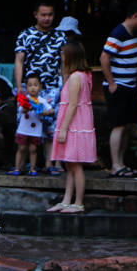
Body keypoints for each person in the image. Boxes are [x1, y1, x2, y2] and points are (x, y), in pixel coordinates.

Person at [14, 1, 67, 176]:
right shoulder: (25, 35)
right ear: (36, 14)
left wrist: (65, 87)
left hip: (52, 88)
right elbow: (19, 61)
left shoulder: (60, 36)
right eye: (43, 15)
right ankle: (24, 165)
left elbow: (64, 64)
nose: (47, 18)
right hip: (29, 88)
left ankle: (50, 163)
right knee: (26, 124)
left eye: (50, 15)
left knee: (51, 126)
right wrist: (19, 86)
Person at [100, 0, 137, 177]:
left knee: (126, 126)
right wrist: (112, 83)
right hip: (118, 86)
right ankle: (116, 164)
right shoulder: (118, 33)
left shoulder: (134, 34)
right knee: (118, 125)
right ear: (135, 16)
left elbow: (132, 60)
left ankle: (121, 162)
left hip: (130, 85)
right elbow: (104, 58)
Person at [47, 41, 97, 214]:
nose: (61, 57)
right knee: (70, 165)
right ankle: (67, 200)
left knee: (75, 166)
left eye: (63, 54)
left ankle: (78, 202)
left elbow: (73, 104)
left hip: (75, 125)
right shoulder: (79, 75)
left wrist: (63, 129)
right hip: (73, 124)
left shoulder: (77, 77)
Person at [8, 74, 54, 176]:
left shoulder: (42, 101)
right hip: (23, 129)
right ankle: (17, 167)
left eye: (35, 85)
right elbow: (22, 110)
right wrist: (30, 107)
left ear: (40, 87)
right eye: (30, 85)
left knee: (33, 149)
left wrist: (44, 112)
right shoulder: (25, 99)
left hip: (36, 131)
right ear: (26, 87)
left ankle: (32, 168)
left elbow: (51, 110)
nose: (33, 87)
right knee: (21, 148)